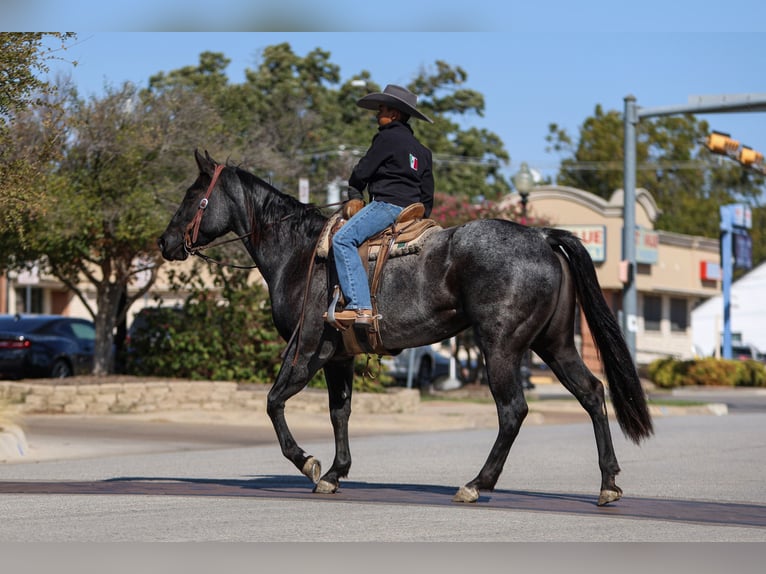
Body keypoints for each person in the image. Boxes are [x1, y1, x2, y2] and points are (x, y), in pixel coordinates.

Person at [331, 84, 434, 329]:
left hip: (387, 206)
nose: (378, 115)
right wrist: (421, 217)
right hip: (413, 213)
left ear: (394, 114)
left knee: (342, 240)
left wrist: (355, 193)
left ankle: (359, 306)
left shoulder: (386, 137)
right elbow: (427, 194)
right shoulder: (423, 151)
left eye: (381, 110)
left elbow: (363, 170)